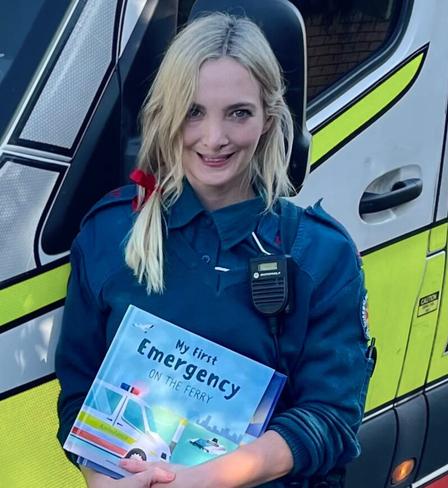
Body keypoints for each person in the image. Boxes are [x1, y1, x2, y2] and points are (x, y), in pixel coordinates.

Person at [55, 12, 373, 488]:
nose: (214, 139)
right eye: (193, 111)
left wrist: (206, 480)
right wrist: (107, 482)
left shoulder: (320, 256)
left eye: (238, 113)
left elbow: (330, 418)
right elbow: (80, 390)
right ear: (166, 114)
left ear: (268, 118)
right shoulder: (109, 234)